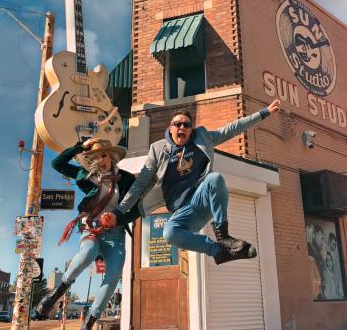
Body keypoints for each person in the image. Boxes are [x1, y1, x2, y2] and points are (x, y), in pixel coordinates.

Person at [113, 100, 281, 265]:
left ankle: (224, 237)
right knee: (170, 233)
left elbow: (233, 129)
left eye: (186, 125)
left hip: (202, 200)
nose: (182, 128)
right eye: (177, 124)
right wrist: (119, 211)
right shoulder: (157, 149)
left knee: (214, 178)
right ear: (170, 128)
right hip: (184, 213)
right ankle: (219, 252)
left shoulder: (203, 137)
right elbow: (140, 183)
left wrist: (264, 113)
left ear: (191, 129)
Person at [35, 138, 138, 330]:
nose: (99, 160)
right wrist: (81, 146)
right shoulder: (86, 176)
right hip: (91, 229)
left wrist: (118, 217)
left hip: (115, 234)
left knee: (114, 275)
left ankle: (89, 323)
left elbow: (135, 208)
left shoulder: (126, 179)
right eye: (94, 157)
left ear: (111, 157)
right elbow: (57, 164)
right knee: (87, 253)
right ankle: (56, 294)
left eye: (103, 155)